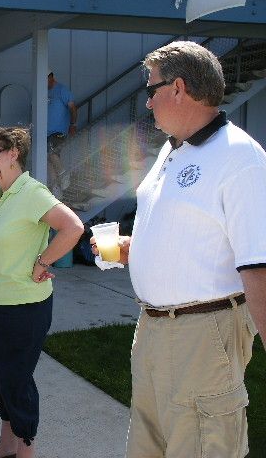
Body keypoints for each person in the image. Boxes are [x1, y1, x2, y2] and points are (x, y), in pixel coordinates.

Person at [93, 41, 266, 457]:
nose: (147, 103)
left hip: (204, 335)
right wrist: (129, 249)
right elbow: (184, 236)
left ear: (179, 88)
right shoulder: (173, 151)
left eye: (150, 90)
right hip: (152, 330)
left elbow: (258, 267)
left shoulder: (241, 158)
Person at [0, 127, 84, 458]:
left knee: (16, 382)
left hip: (22, 305)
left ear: (13, 153)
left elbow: (72, 227)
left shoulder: (31, 192)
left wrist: (43, 261)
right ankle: (7, 444)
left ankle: (26, 452)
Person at [46, 69, 77, 196]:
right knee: (47, 159)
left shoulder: (62, 90)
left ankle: (64, 176)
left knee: (52, 154)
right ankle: (56, 189)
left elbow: (73, 108)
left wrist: (73, 124)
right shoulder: (42, 91)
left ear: (51, 77)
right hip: (44, 132)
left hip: (58, 131)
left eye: (45, 79)